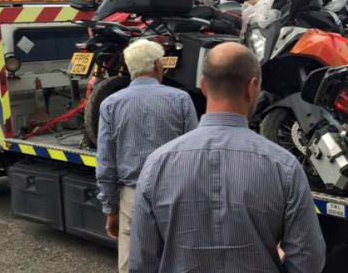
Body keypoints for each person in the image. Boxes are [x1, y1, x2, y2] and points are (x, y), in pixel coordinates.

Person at [128, 42, 326, 273]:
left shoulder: (157, 164)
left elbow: (142, 261)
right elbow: (308, 257)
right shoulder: (284, 166)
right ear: (253, 88)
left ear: (202, 85)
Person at [96, 39, 198, 273]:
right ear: (156, 66)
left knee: (132, 262)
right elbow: (194, 152)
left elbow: (106, 163)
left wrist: (110, 209)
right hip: (175, 192)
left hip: (133, 194)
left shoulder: (110, 104)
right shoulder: (180, 99)